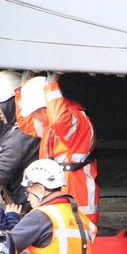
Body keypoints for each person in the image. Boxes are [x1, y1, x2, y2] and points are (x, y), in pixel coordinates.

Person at [8, 159, 97, 254]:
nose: (28, 199)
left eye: (28, 193)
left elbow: (5, 247)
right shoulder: (80, 217)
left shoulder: (40, 216)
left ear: (40, 189)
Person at [19, 75, 100, 226]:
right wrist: (22, 88)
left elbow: (59, 121)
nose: (32, 116)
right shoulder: (50, 123)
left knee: (78, 240)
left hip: (77, 194)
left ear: (44, 109)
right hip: (63, 187)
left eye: (33, 112)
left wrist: (51, 87)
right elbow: (26, 124)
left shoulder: (74, 119)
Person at [0, 70, 41, 211]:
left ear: (13, 104)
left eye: (1, 106)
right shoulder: (25, 123)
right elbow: (5, 100)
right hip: (22, 201)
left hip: (24, 208)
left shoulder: (22, 135)